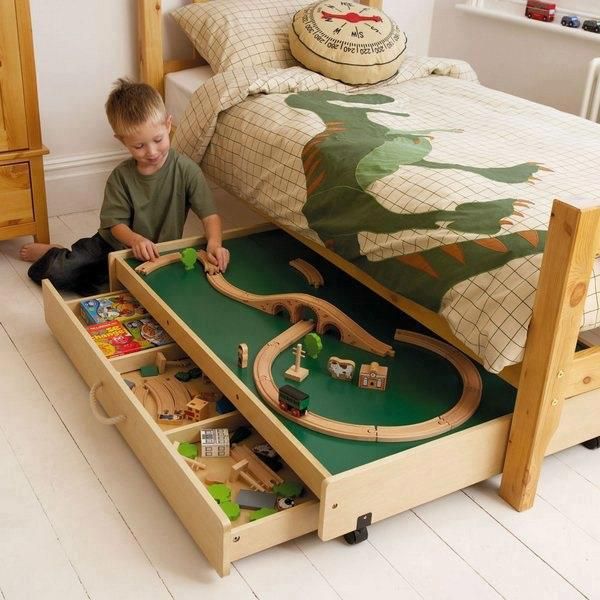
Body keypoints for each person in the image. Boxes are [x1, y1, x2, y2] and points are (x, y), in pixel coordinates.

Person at [20, 78, 229, 295]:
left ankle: (74, 261)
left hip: (156, 253)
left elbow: (210, 216)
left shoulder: (187, 171)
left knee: (111, 289)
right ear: (122, 141)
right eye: (139, 146)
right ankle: (55, 254)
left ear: (168, 125)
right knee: (57, 273)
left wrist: (214, 243)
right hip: (109, 245)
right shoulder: (120, 177)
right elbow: (115, 225)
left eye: (158, 140)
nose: (152, 152)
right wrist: (135, 240)